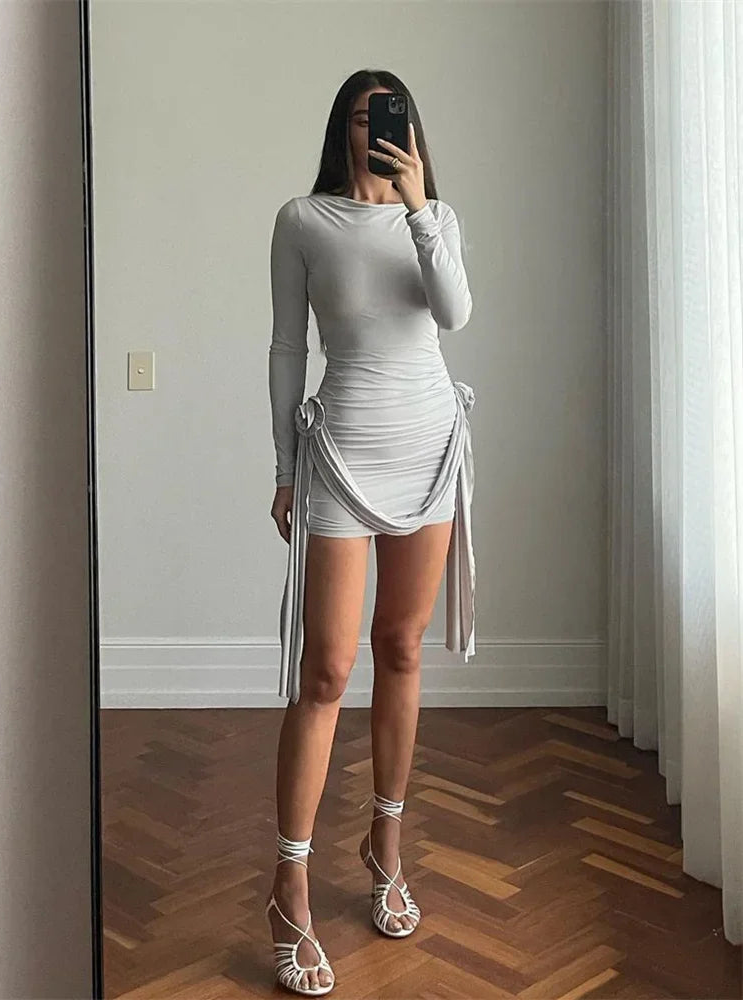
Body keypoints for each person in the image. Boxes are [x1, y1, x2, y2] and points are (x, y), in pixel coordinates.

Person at [264, 69, 475, 996]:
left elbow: (455, 312)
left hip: (429, 452)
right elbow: (287, 346)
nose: (376, 130)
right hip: (341, 456)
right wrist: (283, 467)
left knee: (401, 648)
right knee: (325, 670)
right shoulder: (302, 221)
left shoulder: (438, 217)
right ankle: (289, 886)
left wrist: (420, 208)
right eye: (362, 116)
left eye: (391, 117)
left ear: (411, 131)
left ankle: (386, 841)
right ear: (341, 129)